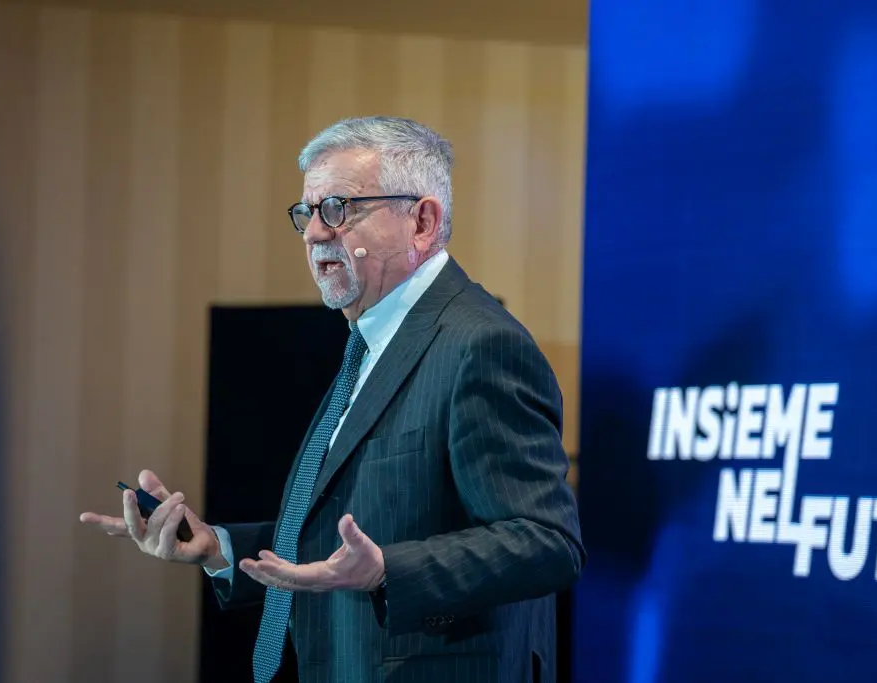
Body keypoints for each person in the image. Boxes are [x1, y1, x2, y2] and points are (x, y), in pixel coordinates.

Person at [80, 115, 585, 683]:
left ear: (422, 221)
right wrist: (218, 547)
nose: (315, 233)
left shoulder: (481, 344)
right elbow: (348, 535)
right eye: (308, 212)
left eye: (339, 209)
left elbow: (547, 541)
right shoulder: (372, 342)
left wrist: (388, 570)